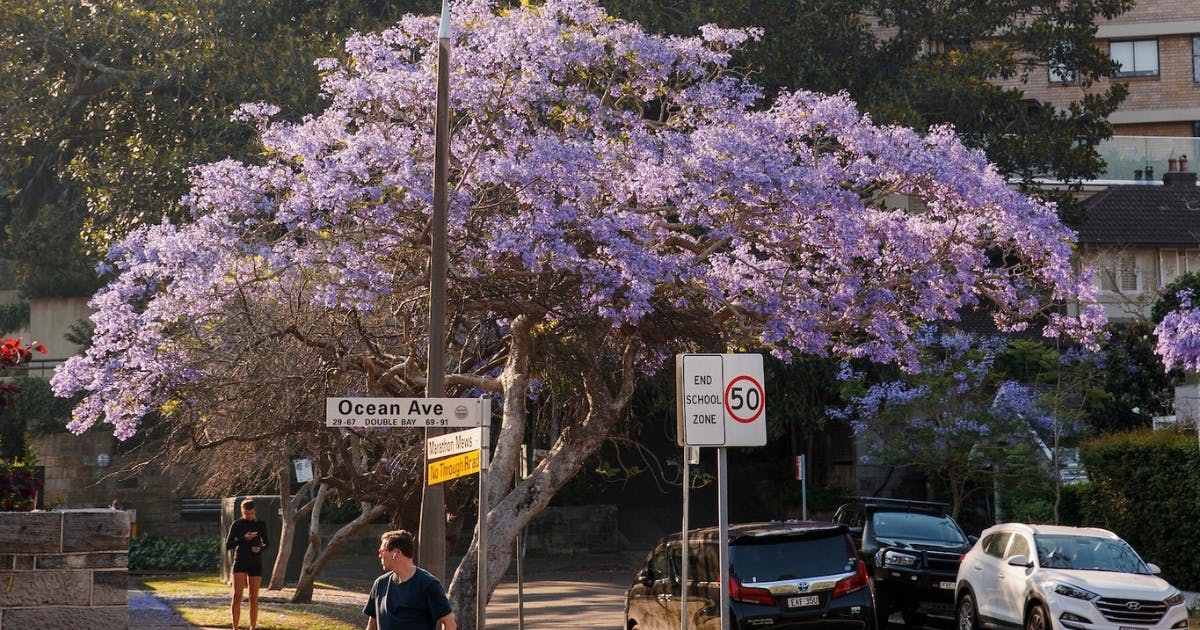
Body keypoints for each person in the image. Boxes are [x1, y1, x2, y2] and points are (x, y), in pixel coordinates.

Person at [364, 529, 456, 630]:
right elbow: (372, 624)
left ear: (396, 552)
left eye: (382, 551)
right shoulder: (380, 584)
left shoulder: (428, 584)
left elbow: (449, 622)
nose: (379, 555)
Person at [225, 499, 269, 630]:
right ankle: (235, 627)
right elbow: (228, 545)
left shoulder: (261, 524)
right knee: (237, 594)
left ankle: (253, 627)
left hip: (255, 562)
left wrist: (260, 548)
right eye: (246, 513)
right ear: (242, 512)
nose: (248, 516)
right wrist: (244, 539)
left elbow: (267, 544)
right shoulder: (237, 524)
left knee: (253, 596)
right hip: (240, 561)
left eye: (250, 513)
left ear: (254, 510)